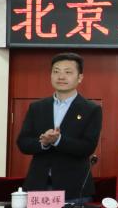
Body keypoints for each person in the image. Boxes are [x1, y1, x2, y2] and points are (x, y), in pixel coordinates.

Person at [16, 52, 102, 200]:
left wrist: (58, 140)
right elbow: (23, 142)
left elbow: (88, 147)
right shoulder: (37, 107)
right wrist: (43, 143)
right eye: (56, 71)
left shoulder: (91, 109)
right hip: (38, 186)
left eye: (68, 72)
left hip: (74, 189)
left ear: (80, 77)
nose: (61, 77)